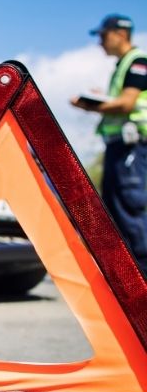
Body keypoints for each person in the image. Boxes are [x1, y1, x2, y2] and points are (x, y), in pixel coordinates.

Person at [72, 14, 147, 270]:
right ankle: (127, 273)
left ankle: (141, 276)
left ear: (120, 34)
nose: (100, 43)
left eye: (103, 36)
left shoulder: (138, 62)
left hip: (132, 148)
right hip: (120, 148)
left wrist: (92, 105)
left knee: (130, 209)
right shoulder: (122, 65)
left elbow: (126, 103)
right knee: (116, 210)